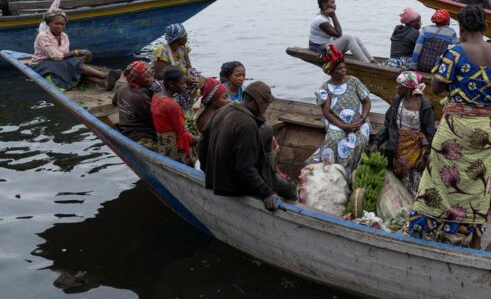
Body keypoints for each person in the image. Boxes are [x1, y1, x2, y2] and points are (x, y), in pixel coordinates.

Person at [407, 5, 491, 248]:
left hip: (453, 128)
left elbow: (436, 88)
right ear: (484, 25)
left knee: (436, 180)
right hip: (484, 129)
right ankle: (475, 240)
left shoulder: (454, 53)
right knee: (478, 184)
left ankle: (424, 234)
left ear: (462, 26)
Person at [199, 81, 292, 210]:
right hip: (232, 185)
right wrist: (267, 193)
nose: (266, 108)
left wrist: (206, 169)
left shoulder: (222, 110)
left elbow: (202, 142)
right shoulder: (247, 124)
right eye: (266, 103)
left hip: (216, 178)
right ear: (257, 102)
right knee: (289, 188)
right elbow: (245, 168)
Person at [307, 45, 372, 172]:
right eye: (339, 68)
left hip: (359, 120)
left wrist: (362, 119)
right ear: (331, 71)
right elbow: (326, 113)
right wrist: (343, 126)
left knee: (360, 141)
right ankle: (333, 170)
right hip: (336, 122)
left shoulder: (353, 81)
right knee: (334, 139)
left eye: (344, 67)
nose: (344, 70)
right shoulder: (325, 88)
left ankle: (352, 171)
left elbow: (367, 102)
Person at [371, 71, 436, 196]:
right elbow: (389, 124)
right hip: (398, 142)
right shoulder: (397, 101)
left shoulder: (424, 105)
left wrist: (426, 156)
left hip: (416, 146)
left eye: (399, 85)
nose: (396, 88)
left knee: (412, 172)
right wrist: (376, 142)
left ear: (407, 87)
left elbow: (429, 134)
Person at [31, 9, 118, 91]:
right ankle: (104, 75)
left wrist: (78, 59)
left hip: (57, 63)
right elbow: (56, 56)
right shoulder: (43, 36)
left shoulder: (64, 36)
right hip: (41, 65)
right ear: (48, 23)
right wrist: (77, 52)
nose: (60, 26)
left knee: (74, 65)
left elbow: (64, 54)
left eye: (62, 24)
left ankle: (103, 83)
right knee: (73, 63)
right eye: (56, 24)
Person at [151, 66, 198, 165]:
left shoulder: (156, 96)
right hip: (174, 150)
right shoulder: (171, 105)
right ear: (171, 84)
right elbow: (183, 135)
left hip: (163, 146)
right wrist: (200, 139)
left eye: (185, 82)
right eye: (182, 83)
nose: (185, 86)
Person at [308, 0, 374, 62]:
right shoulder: (321, 20)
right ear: (324, 4)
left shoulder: (324, 17)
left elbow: (337, 36)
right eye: (332, 3)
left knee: (355, 39)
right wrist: (333, 16)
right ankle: (366, 63)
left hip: (325, 47)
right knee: (348, 38)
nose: (335, 5)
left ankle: (373, 61)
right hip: (320, 51)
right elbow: (338, 34)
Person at [151, 23, 203, 110]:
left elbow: (188, 66)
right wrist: (185, 79)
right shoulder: (162, 50)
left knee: (199, 79)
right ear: (178, 38)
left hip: (182, 76)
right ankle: (181, 107)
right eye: (185, 35)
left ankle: (196, 101)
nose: (186, 36)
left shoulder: (183, 47)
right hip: (169, 79)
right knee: (166, 88)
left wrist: (188, 73)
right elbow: (159, 74)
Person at [112, 61, 157, 149]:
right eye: (147, 77)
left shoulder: (122, 89)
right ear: (137, 79)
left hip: (126, 130)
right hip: (141, 137)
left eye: (151, 75)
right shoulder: (140, 97)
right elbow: (153, 120)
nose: (152, 79)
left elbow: (114, 102)